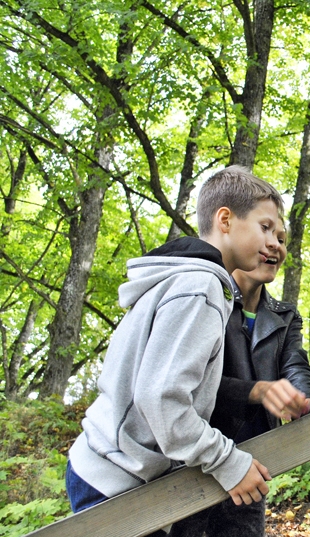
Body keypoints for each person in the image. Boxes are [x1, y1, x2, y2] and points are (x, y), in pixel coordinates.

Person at [66, 166, 280, 523]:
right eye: (265, 227)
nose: (275, 241)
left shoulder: (189, 280)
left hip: (111, 470)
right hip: (113, 479)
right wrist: (228, 462)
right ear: (225, 220)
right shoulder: (201, 287)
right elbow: (161, 397)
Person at [169, 191, 310, 536]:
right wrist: (257, 391)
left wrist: (306, 400)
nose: (275, 246)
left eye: (282, 239)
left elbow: (295, 368)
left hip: (254, 457)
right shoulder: (206, 300)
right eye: (266, 233)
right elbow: (192, 384)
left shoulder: (286, 317)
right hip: (192, 460)